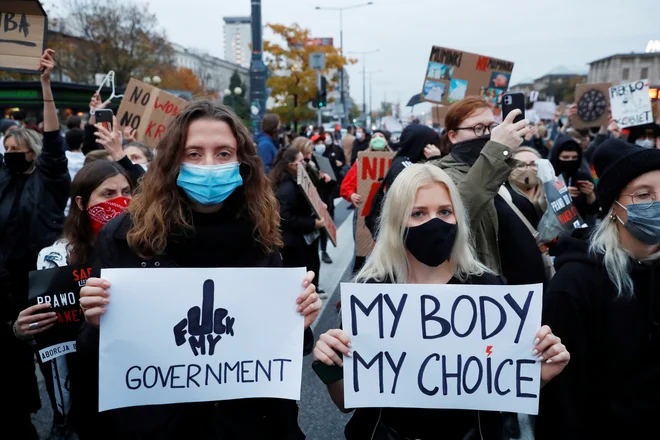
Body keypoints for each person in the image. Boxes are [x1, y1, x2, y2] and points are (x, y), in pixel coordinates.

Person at [76, 101, 321, 439]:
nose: (209, 165)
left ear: (242, 162)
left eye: (223, 154)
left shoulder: (262, 234)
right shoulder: (125, 237)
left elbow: (280, 351)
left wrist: (298, 321)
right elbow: (95, 360)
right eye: (193, 154)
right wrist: (95, 324)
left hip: (246, 425)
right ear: (173, 161)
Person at [314, 164, 570, 440]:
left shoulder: (488, 290)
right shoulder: (372, 295)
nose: (434, 222)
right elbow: (346, 402)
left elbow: (503, 385)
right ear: (397, 221)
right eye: (418, 213)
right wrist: (330, 365)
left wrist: (537, 376)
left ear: (458, 218)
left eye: (444, 212)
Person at [537, 138, 660, 439]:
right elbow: (563, 398)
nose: (657, 203)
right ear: (614, 207)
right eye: (643, 195)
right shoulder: (574, 285)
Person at [13, 160, 133, 439]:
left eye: (127, 191)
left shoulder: (145, 248)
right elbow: (45, 333)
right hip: (84, 382)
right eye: (108, 194)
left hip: (131, 376)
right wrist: (23, 330)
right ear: (80, 202)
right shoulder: (56, 258)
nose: (121, 201)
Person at [1, 48, 70, 440]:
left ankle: (63, 417)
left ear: (31, 150)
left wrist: (45, 85)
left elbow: (53, 139)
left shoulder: (49, 179)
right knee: (12, 357)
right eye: (6, 151)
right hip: (6, 284)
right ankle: (22, 416)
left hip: (43, 281)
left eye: (17, 151)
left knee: (52, 353)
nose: (11, 156)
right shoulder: (3, 181)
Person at [434, 96, 548, 288]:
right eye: (478, 128)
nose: (487, 135)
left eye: (491, 127)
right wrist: (498, 150)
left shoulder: (501, 169)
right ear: (453, 136)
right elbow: (462, 212)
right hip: (494, 295)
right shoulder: (442, 175)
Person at [271, 144, 327, 297]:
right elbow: (286, 218)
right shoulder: (287, 188)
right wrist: (314, 223)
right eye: (301, 161)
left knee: (312, 269)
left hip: (304, 240)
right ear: (291, 165)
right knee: (301, 280)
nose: (305, 163)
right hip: (294, 243)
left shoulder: (297, 180)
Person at [549, 135, 599, 223]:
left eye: (574, 157)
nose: (570, 161)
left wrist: (590, 194)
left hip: (579, 229)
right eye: (565, 157)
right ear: (557, 157)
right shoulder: (548, 178)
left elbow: (592, 210)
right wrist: (561, 195)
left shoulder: (584, 177)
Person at [508, 146, 547, 228]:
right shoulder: (504, 199)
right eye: (521, 165)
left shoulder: (550, 194)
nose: (528, 169)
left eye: (534, 164)